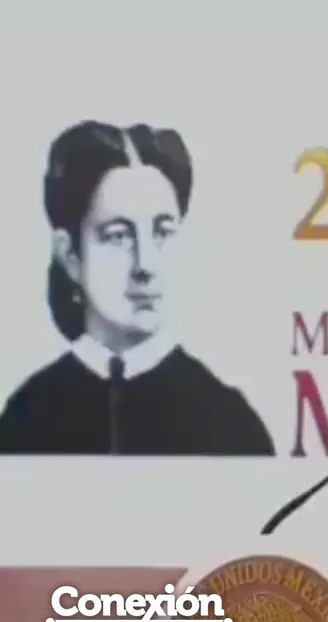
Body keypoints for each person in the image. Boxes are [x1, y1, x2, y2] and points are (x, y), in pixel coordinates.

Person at [0, 121, 274, 456]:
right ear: (70, 254)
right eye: (119, 236)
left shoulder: (229, 422)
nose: (145, 265)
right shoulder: (26, 418)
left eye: (162, 233)